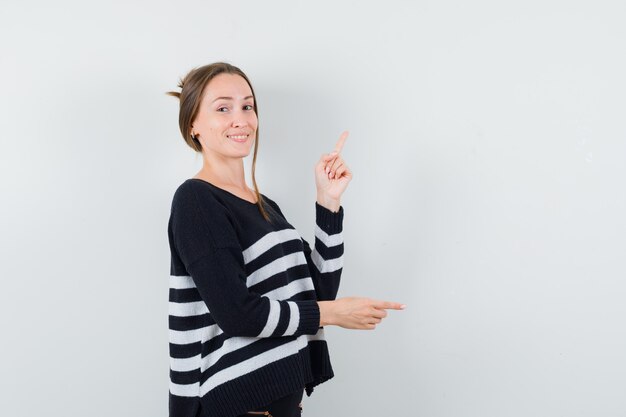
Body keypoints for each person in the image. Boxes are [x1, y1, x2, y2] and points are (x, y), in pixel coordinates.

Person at [166, 62, 405, 417]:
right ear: (192, 125)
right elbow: (237, 315)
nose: (241, 119)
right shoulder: (196, 200)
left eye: (248, 106)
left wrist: (328, 201)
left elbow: (316, 294)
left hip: (280, 404)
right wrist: (335, 314)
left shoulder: (265, 206)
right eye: (223, 108)